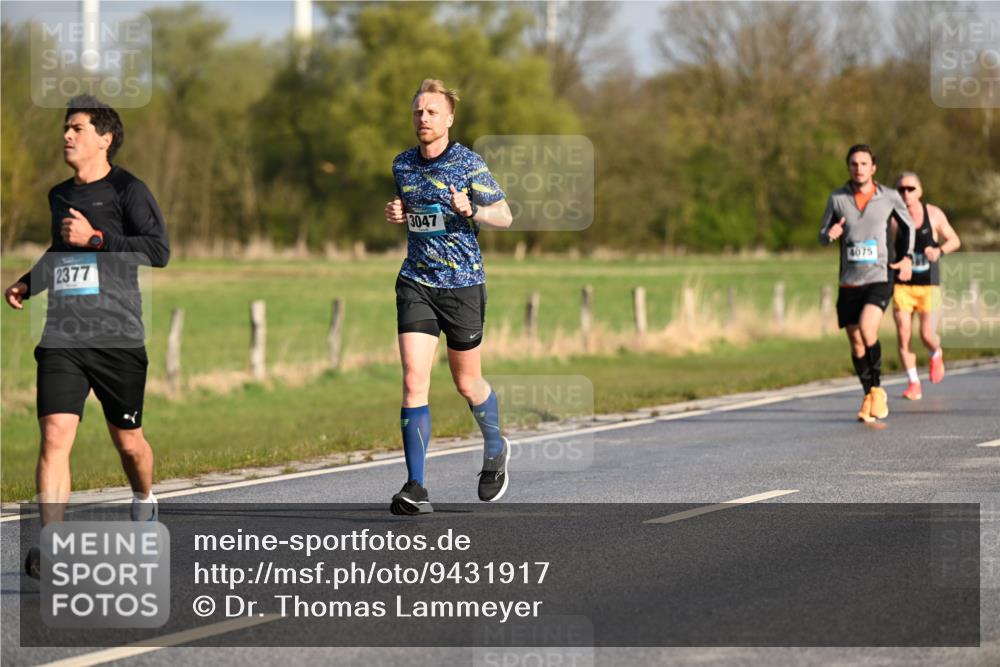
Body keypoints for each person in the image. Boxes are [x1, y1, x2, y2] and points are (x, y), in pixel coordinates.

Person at [5, 96, 170, 577]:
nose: (66, 136)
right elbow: (62, 249)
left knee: (129, 443)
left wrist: (97, 239)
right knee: (55, 436)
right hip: (64, 335)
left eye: (77, 128)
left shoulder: (128, 189)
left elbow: (158, 251)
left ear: (105, 138)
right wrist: (29, 283)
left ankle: (144, 498)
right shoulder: (59, 195)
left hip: (117, 335)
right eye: (66, 128)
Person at [383, 79, 514, 515]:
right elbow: (411, 210)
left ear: (449, 118)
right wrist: (397, 211)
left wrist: (472, 210)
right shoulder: (402, 165)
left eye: (432, 112)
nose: (423, 118)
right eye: (418, 112)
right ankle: (416, 487)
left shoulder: (468, 163)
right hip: (416, 281)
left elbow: (505, 216)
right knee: (412, 381)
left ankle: (495, 447)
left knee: (466, 383)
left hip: (462, 285)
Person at [818, 144, 914, 422]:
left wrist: (906, 258)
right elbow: (822, 235)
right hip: (849, 282)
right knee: (857, 344)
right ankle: (868, 395)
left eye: (863, 164)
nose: (858, 169)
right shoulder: (837, 198)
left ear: (873, 168)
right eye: (853, 164)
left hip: (879, 276)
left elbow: (907, 226)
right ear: (848, 167)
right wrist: (830, 233)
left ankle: (878, 390)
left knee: (867, 328)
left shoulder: (889, 197)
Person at [891, 172, 961, 400]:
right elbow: (886, 246)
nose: (906, 193)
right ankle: (913, 383)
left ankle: (936, 352)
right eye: (901, 189)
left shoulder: (933, 214)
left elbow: (955, 240)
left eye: (910, 189)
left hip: (929, 285)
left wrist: (939, 251)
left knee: (927, 334)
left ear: (920, 191)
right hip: (902, 286)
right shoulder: (893, 218)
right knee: (903, 334)